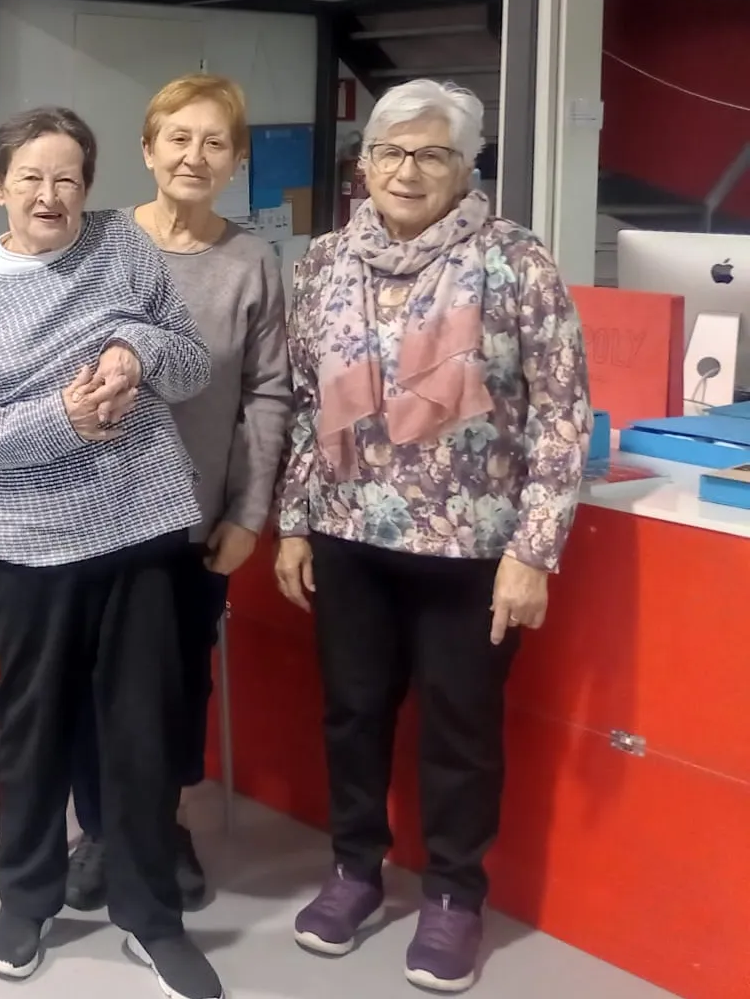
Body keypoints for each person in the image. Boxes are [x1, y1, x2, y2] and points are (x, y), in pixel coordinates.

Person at [276, 80, 589, 995]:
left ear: (466, 167)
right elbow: (303, 403)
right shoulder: (324, 261)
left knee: (461, 726)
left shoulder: (515, 260)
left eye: (432, 155)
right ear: (365, 163)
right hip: (347, 533)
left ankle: (454, 895)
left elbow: (562, 414)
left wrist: (533, 551)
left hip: (473, 547)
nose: (407, 171)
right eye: (390, 152)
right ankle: (355, 871)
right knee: (352, 713)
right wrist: (293, 522)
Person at [0, 105, 224, 996]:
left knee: (142, 732)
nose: (50, 195)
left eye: (68, 179)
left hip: (141, 527)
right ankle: (27, 900)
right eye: (31, 177)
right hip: (30, 543)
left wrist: (136, 350)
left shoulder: (123, 247)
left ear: (89, 186)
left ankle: (149, 917)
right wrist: (60, 418)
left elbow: (192, 363)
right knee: (33, 731)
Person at [66, 75, 291, 913]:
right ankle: (99, 828)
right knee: (90, 680)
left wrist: (248, 515)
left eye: (215, 142)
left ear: (236, 161)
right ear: (148, 148)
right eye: (179, 138)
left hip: (194, 523)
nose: (195, 156)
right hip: (90, 511)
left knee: (174, 685)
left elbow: (269, 394)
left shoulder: (252, 262)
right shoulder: (96, 240)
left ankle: (161, 824)